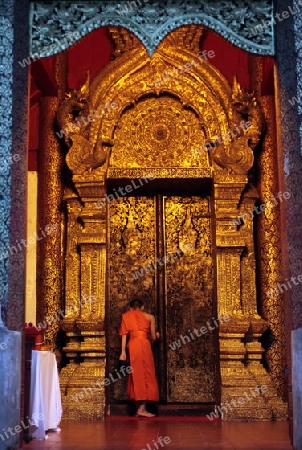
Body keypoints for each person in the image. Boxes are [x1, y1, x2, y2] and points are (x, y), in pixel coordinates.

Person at [119, 298, 159, 417]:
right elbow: (153, 337)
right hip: (144, 345)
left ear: (130, 308)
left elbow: (124, 336)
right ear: (142, 307)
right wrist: (157, 335)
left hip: (132, 346)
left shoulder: (126, 316)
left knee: (135, 375)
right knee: (146, 374)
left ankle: (138, 408)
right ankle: (142, 408)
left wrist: (123, 352)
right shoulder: (150, 317)